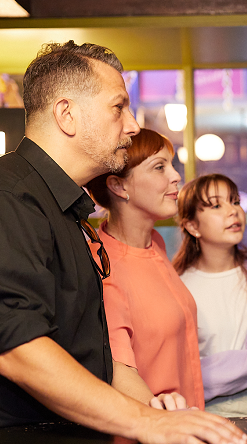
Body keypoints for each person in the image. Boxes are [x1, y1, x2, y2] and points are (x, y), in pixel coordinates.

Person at [0, 41, 246, 444]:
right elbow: (18, 350)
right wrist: (147, 422)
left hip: (58, 440)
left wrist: (157, 412)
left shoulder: (68, 212)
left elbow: (94, 356)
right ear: (67, 114)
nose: (132, 125)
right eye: (118, 108)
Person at [83, 128, 204, 409]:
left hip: (186, 419)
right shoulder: (103, 266)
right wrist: (158, 415)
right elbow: (117, 369)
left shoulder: (154, 243)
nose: (176, 176)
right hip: (156, 422)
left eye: (171, 165)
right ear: (119, 186)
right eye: (159, 167)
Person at [172, 174, 247, 417]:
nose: (233, 211)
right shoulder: (175, 285)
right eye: (216, 205)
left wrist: (198, 377)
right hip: (200, 419)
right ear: (192, 226)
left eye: (235, 201)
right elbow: (171, 368)